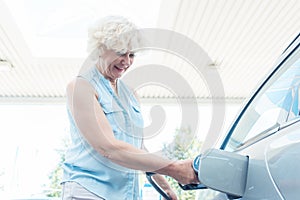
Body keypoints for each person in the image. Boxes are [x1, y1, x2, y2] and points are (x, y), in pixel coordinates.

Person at [61, 15, 198, 200]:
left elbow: (138, 147)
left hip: (125, 194)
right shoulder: (81, 87)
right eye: (120, 52)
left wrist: (166, 189)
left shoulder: (130, 93)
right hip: (88, 191)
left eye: (131, 54)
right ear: (100, 49)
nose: (126, 61)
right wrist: (174, 168)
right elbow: (108, 147)